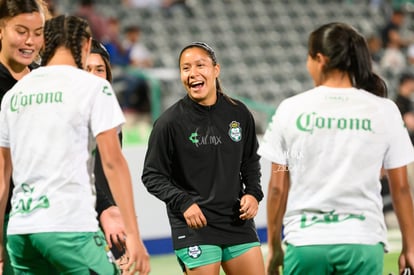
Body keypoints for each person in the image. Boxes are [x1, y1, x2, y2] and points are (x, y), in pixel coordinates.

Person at [258, 22, 414, 275]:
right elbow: (402, 187)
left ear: (319, 59)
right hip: (363, 242)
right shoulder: (384, 110)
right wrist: (411, 247)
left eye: (308, 58)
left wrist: (275, 246)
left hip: (306, 243)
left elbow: (277, 188)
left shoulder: (290, 109)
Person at [0, 14, 150, 274]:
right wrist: (134, 235)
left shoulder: (15, 94)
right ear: (85, 44)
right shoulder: (93, 88)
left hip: (19, 231)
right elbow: (113, 163)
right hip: (67, 226)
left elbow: (2, 175)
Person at [142, 41, 265, 275]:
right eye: (186, 68)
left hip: (236, 222)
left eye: (200, 65)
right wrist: (183, 202)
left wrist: (253, 193)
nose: (193, 73)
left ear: (216, 70)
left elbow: (250, 162)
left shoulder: (239, 113)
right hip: (194, 227)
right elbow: (152, 175)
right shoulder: (169, 123)